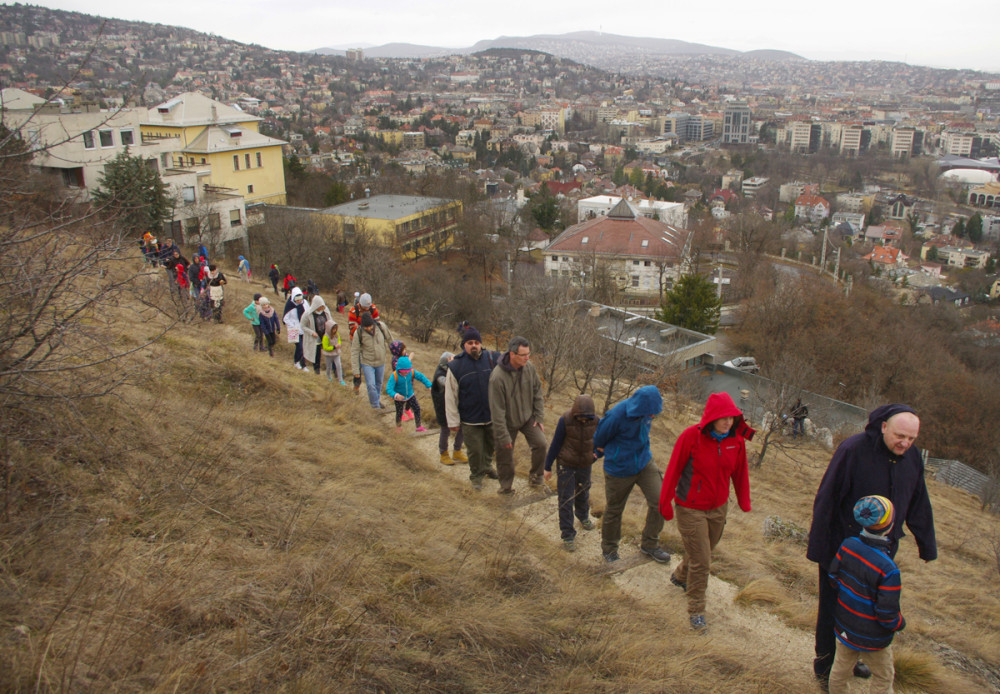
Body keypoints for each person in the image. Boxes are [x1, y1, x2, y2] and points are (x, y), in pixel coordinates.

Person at [807, 404, 936, 686]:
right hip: (843, 549)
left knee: (868, 611)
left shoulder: (912, 457)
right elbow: (826, 499)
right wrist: (819, 550)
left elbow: (918, 500)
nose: (905, 443)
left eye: (911, 439)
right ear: (884, 427)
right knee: (833, 608)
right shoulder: (853, 450)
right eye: (900, 436)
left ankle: (851, 661)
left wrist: (927, 545)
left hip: (883, 552)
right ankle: (825, 666)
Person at [659, 392, 754, 630]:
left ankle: (680, 576)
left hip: (718, 508)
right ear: (711, 417)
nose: (728, 423)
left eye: (732, 418)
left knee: (704, 549)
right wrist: (665, 503)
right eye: (723, 418)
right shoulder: (691, 437)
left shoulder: (737, 440)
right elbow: (673, 471)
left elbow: (740, 473)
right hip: (690, 508)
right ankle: (696, 608)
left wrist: (744, 501)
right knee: (703, 560)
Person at [825, 495, 905, 694]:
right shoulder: (889, 569)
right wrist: (899, 624)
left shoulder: (847, 545)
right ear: (889, 525)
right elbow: (887, 614)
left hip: (845, 625)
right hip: (874, 638)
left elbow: (833, 578)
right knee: (884, 676)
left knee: (840, 669)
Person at [593, 385, 671, 565]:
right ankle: (610, 549)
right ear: (641, 408)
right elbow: (599, 439)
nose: (653, 416)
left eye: (654, 413)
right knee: (614, 510)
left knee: (661, 501)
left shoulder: (648, 413)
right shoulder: (616, 415)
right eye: (651, 413)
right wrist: (609, 450)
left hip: (644, 463)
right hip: (619, 469)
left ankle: (650, 544)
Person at [445, 327, 502, 490]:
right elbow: (450, 396)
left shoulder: (491, 360)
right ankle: (476, 476)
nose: (474, 345)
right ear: (464, 345)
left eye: (477, 342)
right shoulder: (456, 366)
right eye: (470, 343)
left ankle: (487, 467)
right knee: (475, 449)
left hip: (491, 415)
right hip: (470, 418)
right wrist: (453, 421)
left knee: (490, 445)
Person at [488, 336, 546, 495]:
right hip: (506, 422)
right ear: (512, 354)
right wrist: (503, 436)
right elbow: (497, 411)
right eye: (524, 355)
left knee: (541, 443)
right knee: (504, 453)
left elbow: (537, 392)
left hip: (527, 418)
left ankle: (536, 476)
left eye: (529, 354)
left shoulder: (529, 368)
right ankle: (506, 487)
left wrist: (539, 417)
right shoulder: (497, 377)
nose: (528, 358)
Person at [543, 394, 599, 552]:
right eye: (581, 418)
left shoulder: (596, 421)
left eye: (587, 418)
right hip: (565, 464)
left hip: (585, 464)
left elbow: (602, 441)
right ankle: (567, 534)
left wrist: (595, 455)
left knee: (583, 491)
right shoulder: (565, 420)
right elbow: (555, 444)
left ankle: (583, 516)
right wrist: (547, 467)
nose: (583, 421)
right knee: (565, 498)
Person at [350, 312, 393, 409]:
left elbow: (390, 340)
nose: (368, 329)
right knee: (370, 385)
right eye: (366, 327)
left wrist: (397, 355)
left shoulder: (381, 327)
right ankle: (375, 407)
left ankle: (376, 401)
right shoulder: (359, 332)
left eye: (370, 326)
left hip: (381, 362)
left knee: (378, 384)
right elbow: (354, 351)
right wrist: (356, 370)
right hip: (367, 363)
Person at [431, 352, 466, 466]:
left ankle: (457, 451)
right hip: (443, 408)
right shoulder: (440, 375)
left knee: (462, 427)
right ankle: (443, 454)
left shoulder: (451, 371)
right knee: (445, 429)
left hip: (455, 406)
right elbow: (449, 384)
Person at [386, 356, 432, 432]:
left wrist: (429, 385)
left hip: (410, 395)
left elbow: (421, 377)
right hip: (399, 397)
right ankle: (398, 427)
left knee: (417, 408)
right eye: (404, 371)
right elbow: (389, 388)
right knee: (399, 413)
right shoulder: (394, 376)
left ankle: (419, 426)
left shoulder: (411, 372)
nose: (407, 372)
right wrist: (396, 395)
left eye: (408, 370)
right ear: (399, 369)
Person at [300, 294, 330, 375]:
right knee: (316, 355)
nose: (322, 308)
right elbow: (303, 326)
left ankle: (335, 370)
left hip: (325, 337)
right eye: (320, 306)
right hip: (315, 338)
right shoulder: (308, 314)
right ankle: (316, 370)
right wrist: (311, 332)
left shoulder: (326, 311)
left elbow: (330, 322)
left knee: (331, 352)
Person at [282, 287, 307, 369]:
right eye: (297, 299)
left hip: (303, 328)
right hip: (293, 329)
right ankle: (296, 362)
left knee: (304, 347)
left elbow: (308, 312)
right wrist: (292, 325)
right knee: (299, 346)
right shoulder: (290, 305)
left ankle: (303, 364)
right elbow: (285, 318)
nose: (299, 301)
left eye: (300, 298)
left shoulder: (304, 303)